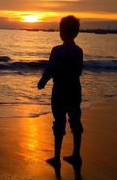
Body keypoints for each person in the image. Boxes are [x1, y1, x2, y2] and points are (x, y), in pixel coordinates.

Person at [37, 15, 83, 172]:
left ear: (62, 32)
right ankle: (76, 155)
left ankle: (57, 158)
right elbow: (79, 71)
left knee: (59, 121)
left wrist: (42, 81)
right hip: (75, 89)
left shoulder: (57, 51)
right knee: (75, 120)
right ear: (76, 32)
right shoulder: (79, 51)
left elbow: (50, 68)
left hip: (60, 90)